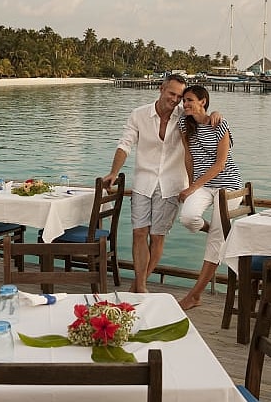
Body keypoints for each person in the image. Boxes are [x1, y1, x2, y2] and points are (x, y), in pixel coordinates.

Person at [102, 75, 221, 293]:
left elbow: (204, 117)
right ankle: (140, 287)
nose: (176, 100)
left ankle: (140, 286)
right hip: (143, 183)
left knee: (157, 236)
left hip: (172, 184)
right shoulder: (139, 114)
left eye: (180, 96)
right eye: (172, 94)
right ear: (161, 89)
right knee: (139, 233)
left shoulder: (185, 116)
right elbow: (125, 144)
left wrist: (215, 113)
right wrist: (114, 172)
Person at [176, 85, 242, 310]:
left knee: (215, 240)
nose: (185, 104)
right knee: (187, 217)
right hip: (203, 186)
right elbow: (188, 156)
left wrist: (193, 186)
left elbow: (221, 163)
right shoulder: (184, 124)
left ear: (203, 101)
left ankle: (195, 295)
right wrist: (190, 185)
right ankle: (221, 229)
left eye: (190, 100)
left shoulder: (219, 124)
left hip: (228, 185)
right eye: (184, 101)